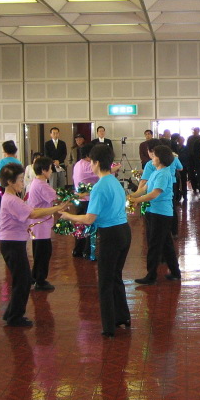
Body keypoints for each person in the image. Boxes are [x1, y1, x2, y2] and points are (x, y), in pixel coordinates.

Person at [61, 144, 132, 337]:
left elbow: (89, 218)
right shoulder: (114, 181)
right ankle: (122, 317)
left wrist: (69, 217)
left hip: (110, 235)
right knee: (115, 276)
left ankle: (108, 327)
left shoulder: (100, 186)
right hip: (124, 231)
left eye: (91, 162)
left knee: (105, 282)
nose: (90, 165)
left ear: (97, 163)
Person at [0, 163, 67, 327]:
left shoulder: (13, 198)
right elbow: (33, 213)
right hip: (12, 244)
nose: (23, 183)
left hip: (14, 243)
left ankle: (11, 313)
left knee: (22, 279)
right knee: (23, 280)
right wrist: (56, 208)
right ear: (10, 182)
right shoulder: (11, 200)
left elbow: (31, 212)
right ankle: (15, 317)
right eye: (20, 180)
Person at [130, 145, 181, 285]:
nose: (152, 157)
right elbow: (144, 189)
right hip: (153, 212)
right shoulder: (156, 172)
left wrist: (137, 201)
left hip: (161, 214)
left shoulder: (164, 174)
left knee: (154, 244)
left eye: (155, 155)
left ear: (161, 158)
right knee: (166, 244)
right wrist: (131, 197)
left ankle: (151, 276)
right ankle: (175, 272)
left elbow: (154, 194)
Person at [28, 156, 58, 291]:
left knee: (38, 252)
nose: (51, 171)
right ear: (44, 170)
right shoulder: (42, 185)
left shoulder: (36, 182)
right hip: (41, 224)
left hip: (37, 224)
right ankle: (40, 280)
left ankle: (34, 276)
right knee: (43, 253)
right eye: (50, 169)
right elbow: (57, 198)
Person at [71, 142, 99, 259]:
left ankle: (78, 250)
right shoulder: (88, 165)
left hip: (79, 200)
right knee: (89, 225)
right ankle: (88, 252)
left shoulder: (77, 164)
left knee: (80, 225)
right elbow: (102, 172)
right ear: (89, 155)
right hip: (87, 200)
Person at [186, 127, 200, 193]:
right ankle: (194, 186)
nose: (195, 131)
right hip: (190, 158)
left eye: (196, 130)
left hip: (199, 158)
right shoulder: (190, 138)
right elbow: (187, 147)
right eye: (194, 130)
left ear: (198, 131)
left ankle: (199, 185)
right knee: (191, 173)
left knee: (199, 172)